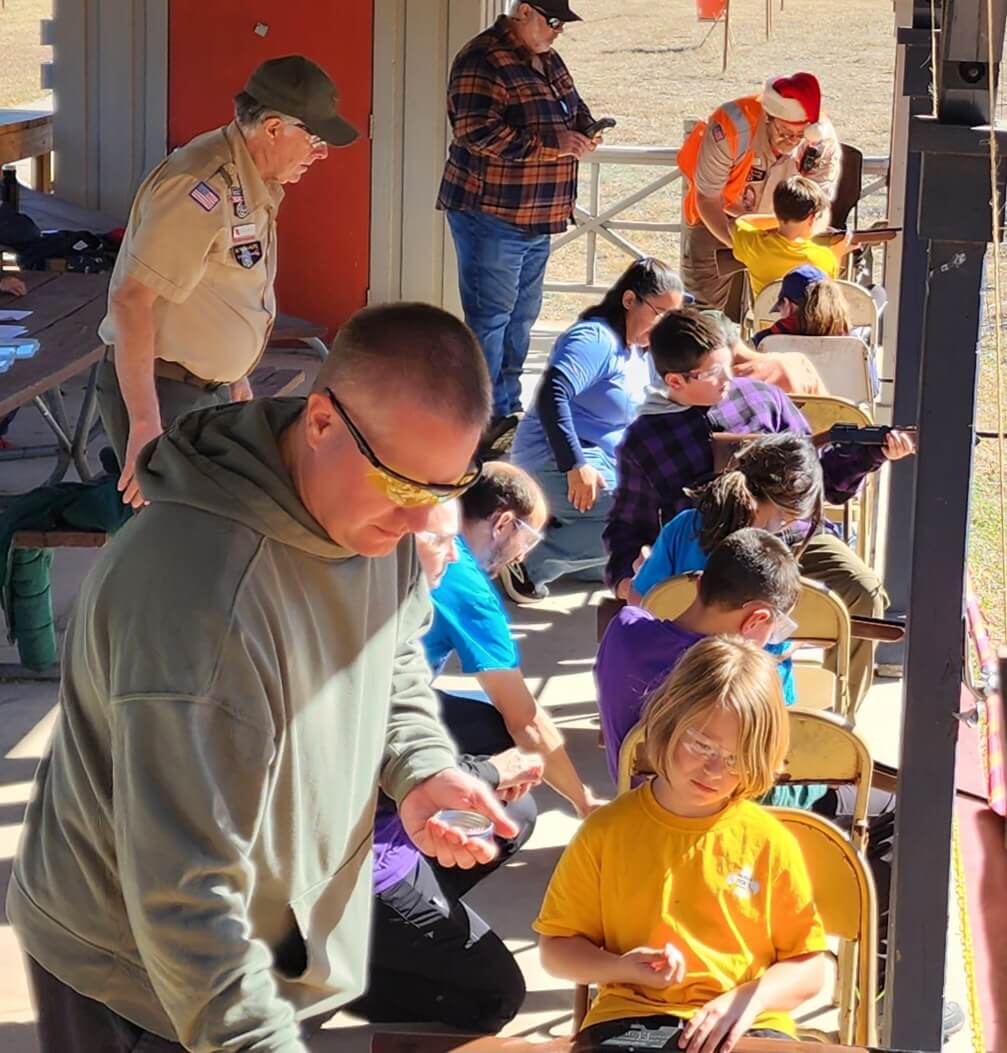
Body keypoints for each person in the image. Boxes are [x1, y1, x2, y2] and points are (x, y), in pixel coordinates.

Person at [8, 303, 524, 1053]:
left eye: (443, 489)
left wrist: (417, 765)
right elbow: (183, 895)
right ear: (321, 422)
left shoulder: (370, 516)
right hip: (141, 977)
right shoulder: (197, 606)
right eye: (402, 485)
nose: (420, 524)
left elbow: (391, 657)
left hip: (282, 931)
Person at [604, 310, 916, 708]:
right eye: (713, 372)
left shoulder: (763, 398)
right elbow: (629, 522)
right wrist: (624, 577)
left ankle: (838, 717)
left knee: (863, 590)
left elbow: (817, 478)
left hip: (793, 540)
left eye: (728, 365)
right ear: (675, 381)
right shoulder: (645, 440)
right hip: (708, 554)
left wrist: (871, 454)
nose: (729, 378)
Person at [536, 637, 827, 1053]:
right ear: (668, 721)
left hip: (746, 1022)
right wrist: (621, 968)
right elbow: (556, 949)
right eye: (701, 745)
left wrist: (751, 997)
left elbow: (810, 966)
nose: (714, 769)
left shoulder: (769, 841)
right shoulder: (606, 831)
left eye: (736, 758)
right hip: (630, 1019)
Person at [98, 55, 359, 510]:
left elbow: (226, 285)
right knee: (177, 537)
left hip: (204, 392)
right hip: (165, 393)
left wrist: (236, 376)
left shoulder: (248, 177)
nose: (320, 153)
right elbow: (131, 301)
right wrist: (143, 423)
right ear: (273, 128)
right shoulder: (201, 186)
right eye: (314, 138)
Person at [356, 498, 545, 1032]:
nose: (455, 554)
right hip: (351, 865)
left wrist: (484, 772)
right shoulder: (349, 640)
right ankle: (330, 973)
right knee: (497, 997)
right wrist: (488, 772)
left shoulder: (393, 616)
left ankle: (384, 941)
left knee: (516, 814)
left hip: (393, 824)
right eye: (440, 541)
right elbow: (364, 765)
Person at [437, 0, 600, 446]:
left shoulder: (548, 59)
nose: (558, 31)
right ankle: (479, 419)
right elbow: (475, 132)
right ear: (524, 11)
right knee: (490, 319)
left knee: (521, 319)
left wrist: (585, 129)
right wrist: (553, 144)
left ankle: (505, 409)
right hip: (491, 212)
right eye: (553, 21)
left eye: (563, 24)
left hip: (538, 215)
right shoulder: (482, 58)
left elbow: (573, 108)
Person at [502, 258, 687, 602]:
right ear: (629, 300)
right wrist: (574, 464)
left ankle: (568, 544)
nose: (663, 327)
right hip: (555, 458)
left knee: (649, 519)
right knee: (642, 515)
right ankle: (525, 561)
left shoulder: (639, 352)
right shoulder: (595, 338)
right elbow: (553, 393)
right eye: (659, 314)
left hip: (602, 458)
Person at [425, 461, 602, 816]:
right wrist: (584, 802)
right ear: (503, 523)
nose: (522, 555)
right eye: (528, 539)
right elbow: (525, 721)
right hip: (377, 719)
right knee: (516, 798)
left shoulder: (419, 536)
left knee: (480, 703)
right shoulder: (468, 588)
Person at [598, 528, 802, 785]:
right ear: (756, 619)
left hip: (632, 798)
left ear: (699, 583)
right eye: (778, 628)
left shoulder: (622, 629)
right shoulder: (743, 681)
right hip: (716, 803)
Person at [677, 71, 841, 317]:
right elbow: (707, 198)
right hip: (718, 217)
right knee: (701, 313)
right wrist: (747, 248)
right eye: (784, 132)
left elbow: (818, 208)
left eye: (800, 135)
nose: (792, 141)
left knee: (790, 312)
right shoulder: (731, 126)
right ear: (768, 117)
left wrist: (787, 247)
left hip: (788, 229)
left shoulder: (822, 141)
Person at [730, 175, 851, 298]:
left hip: (764, 311)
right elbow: (828, 293)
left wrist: (782, 217)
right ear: (812, 218)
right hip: (804, 312)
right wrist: (836, 255)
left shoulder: (754, 244)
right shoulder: (824, 257)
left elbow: (742, 221)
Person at [751, 264, 850, 346]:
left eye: (780, 308)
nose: (780, 315)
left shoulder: (765, 340)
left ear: (787, 303)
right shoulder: (849, 340)